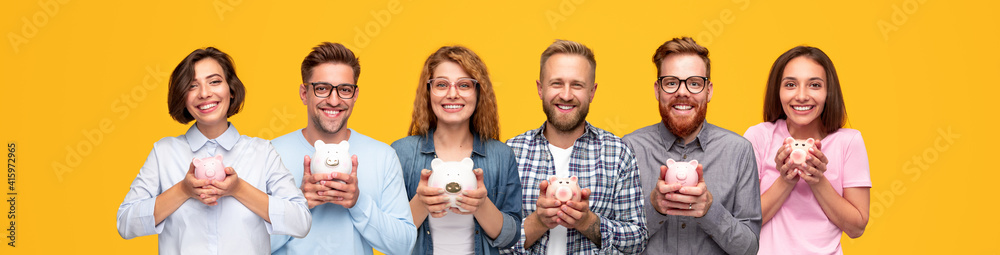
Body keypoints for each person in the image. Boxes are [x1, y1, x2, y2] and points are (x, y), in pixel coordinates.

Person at [116, 47, 311, 254]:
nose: (205, 93)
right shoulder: (163, 153)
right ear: (183, 97)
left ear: (231, 89)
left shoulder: (262, 152)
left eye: (215, 81)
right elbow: (125, 223)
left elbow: (300, 221)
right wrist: (183, 190)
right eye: (192, 86)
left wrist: (238, 189)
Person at [268, 42, 416, 255]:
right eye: (322, 88)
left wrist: (358, 202)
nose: (334, 100)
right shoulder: (272, 153)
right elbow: (247, 245)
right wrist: (297, 207)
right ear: (304, 93)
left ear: (355, 95)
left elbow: (403, 246)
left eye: (344, 90)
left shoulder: (382, 156)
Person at [504, 39, 647, 254]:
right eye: (556, 83)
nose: (566, 95)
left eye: (577, 85)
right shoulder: (512, 152)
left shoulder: (618, 153)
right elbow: (491, 239)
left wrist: (588, 222)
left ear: (592, 91)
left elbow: (637, 240)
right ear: (540, 89)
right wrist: (539, 221)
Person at [622, 37, 761, 255]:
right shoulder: (629, 148)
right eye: (671, 82)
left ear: (709, 90)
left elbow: (749, 249)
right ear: (658, 90)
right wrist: (655, 208)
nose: (683, 92)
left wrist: (710, 211)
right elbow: (614, 243)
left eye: (694, 83)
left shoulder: (739, 151)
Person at [391, 45, 522, 255]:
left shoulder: (502, 155)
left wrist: (481, 205)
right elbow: (390, 238)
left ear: (478, 92)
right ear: (428, 92)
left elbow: (510, 237)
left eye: (464, 85)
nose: (452, 94)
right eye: (441, 84)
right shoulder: (401, 153)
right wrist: (421, 203)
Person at [744, 46, 870, 254]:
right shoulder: (759, 137)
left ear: (828, 92)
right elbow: (744, 222)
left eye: (814, 85)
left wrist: (817, 179)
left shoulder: (849, 142)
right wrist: (785, 180)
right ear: (778, 91)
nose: (801, 96)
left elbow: (857, 227)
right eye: (791, 85)